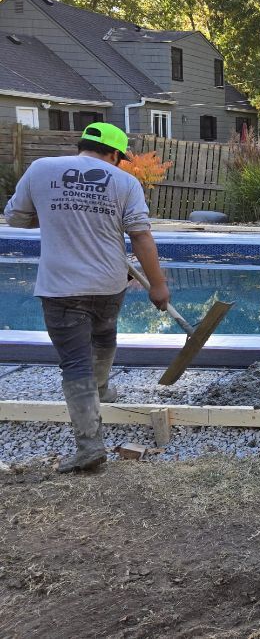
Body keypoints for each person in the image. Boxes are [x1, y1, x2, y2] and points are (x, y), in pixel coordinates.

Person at [4, 123, 170, 473]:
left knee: (75, 361)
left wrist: (56, 213)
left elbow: (15, 219)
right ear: (114, 155)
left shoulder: (41, 169)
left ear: (83, 146)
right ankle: (102, 390)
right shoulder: (125, 183)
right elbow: (141, 236)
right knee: (104, 333)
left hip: (61, 288)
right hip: (110, 284)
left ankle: (90, 446)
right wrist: (158, 286)